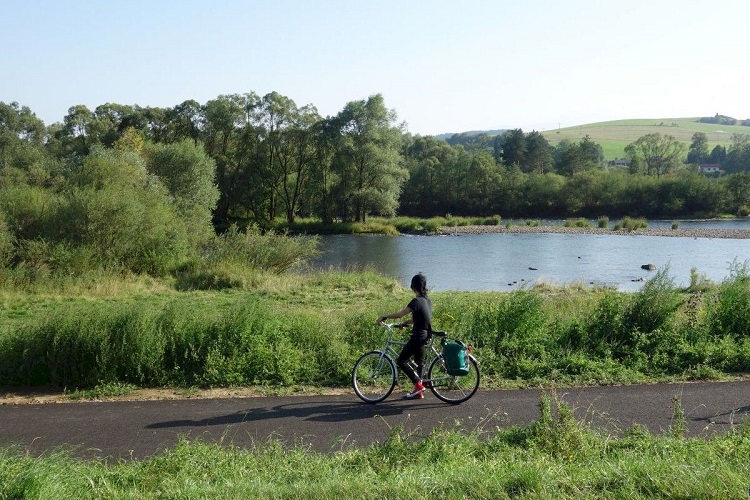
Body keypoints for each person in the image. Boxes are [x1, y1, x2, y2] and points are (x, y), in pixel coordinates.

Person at [377, 273, 432, 399]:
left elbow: (401, 313)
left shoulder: (416, 301)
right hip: (425, 335)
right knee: (419, 364)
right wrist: (406, 323)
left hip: (418, 337)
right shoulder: (427, 301)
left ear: (413, 286)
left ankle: (418, 385)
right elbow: (421, 318)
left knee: (401, 360)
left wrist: (385, 316)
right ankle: (419, 392)